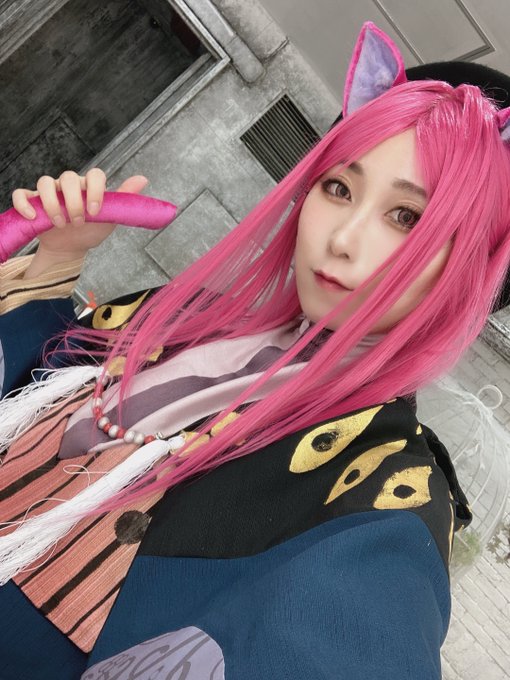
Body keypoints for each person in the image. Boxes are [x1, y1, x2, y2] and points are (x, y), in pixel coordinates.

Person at [0, 20, 509, 679]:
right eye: (339, 187)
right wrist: (58, 261)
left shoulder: (386, 492)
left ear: (473, 267)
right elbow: (33, 388)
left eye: (407, 217)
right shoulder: (186, 314)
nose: (342, 238)